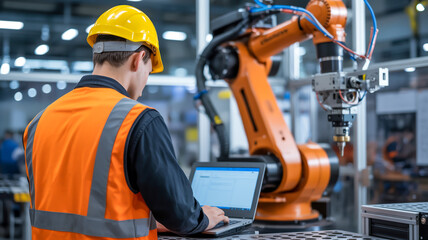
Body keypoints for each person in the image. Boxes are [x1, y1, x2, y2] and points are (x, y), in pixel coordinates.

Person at [23, 5, 228, 239]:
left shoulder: (38, 122)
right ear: (138, 59)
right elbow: (181, 215)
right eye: (148, 72)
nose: (143, 87)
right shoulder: (138, 120)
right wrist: (202, 219)